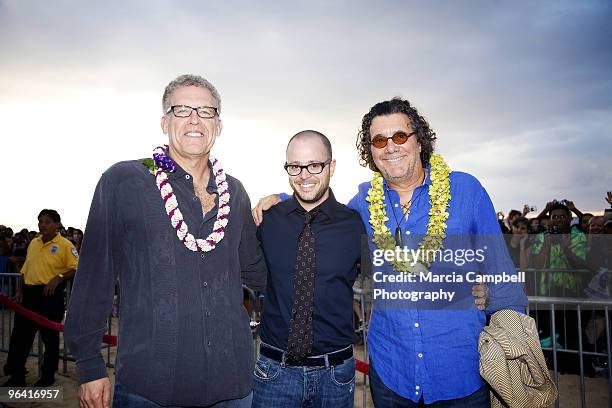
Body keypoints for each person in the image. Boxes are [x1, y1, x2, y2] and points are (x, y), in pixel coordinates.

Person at [254, 98, 525, 407]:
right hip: (392, 376)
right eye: (379, 140)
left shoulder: (466, 191)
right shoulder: (364, 205)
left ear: (419, 140)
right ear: (371, 151)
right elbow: (323, 209)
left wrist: (502, 317)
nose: (390, 147)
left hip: (460, 373)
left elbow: (502, 275)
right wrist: (281, 198)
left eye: (399, 136)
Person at [64, 74, 267, 408]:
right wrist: (88, 364)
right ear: (164, 121)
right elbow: (94, 277)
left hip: (232, 384)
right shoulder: (124, 181)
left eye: (206, 112)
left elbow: (257, 273)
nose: (194, 120)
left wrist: (284, 213)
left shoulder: (235, 191)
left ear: (218, 125)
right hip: (150, 385)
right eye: (182, 109)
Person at [252, 130, 363, 407]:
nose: (304, 175)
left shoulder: (355, 225)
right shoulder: (266, 221)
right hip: (274, 372)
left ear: (332, 166)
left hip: (336, 375)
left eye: (315, 165)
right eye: (295, 166)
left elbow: (396, 271)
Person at [2, 209, 78, 387]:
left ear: (57, 224)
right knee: (19, 338)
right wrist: (20, 290)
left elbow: (76, 267)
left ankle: (47, 376)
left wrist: (58, 278)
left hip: (49, 297)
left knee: (49, 339)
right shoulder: (33, 243)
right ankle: (16, 375)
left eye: (47, 222)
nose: (42, 225)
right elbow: (25, 269)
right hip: (28, 296)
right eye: (40, 221)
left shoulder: (66, 245)